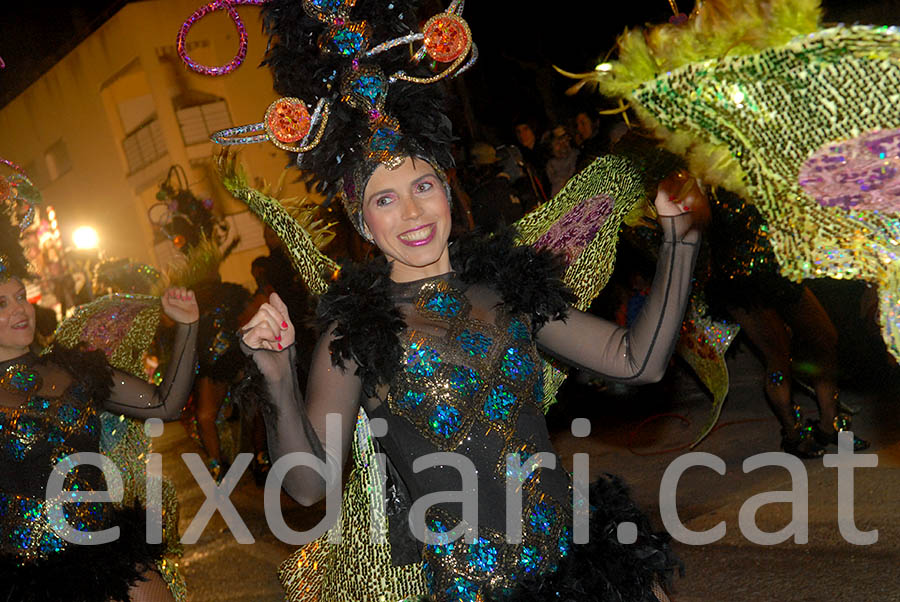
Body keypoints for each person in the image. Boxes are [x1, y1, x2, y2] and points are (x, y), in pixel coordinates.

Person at [0, 222, 200, 600]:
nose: (20, 309)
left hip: (106, 551)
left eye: (21, 296)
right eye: (2, 303)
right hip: (29, 581)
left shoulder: (74, 368)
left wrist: (187, 327)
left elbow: (164, 404)